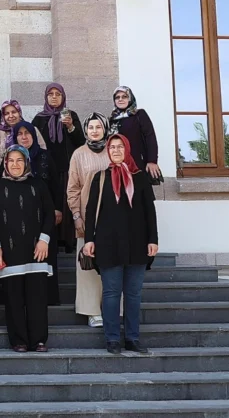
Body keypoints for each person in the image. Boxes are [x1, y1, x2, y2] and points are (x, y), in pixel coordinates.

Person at [84, 134, 160, 355]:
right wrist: (89, 239)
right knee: (111, 292)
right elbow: (90, 212)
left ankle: (133, 338)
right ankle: (112, 339)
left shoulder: (140, 178)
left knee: (134, 293)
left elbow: (150, 212)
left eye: (120, 147)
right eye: (112, 147)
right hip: (108, 243)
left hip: (137, 243)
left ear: (127, 149)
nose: (116, 150)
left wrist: (153, 239)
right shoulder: (100, 177)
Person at [0, 146, 55, 352]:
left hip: (36, 250)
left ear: (26, 163)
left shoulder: (38, 185)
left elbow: (50, 214)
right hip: (9, 251)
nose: (15, 165)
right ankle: (19, 340)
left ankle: (39, 340)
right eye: (11, 161)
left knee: (37, 299)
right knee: (14, 299)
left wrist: (44, 240)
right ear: (5, 163)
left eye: (19, 160)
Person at [32, 83, 84, 286]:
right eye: (50, 94)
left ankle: (68, 241)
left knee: (67, 203)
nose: (54, 97)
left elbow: (81, 141)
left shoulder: (71, 115)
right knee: (51, 204)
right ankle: (53, 239)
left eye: (58, 94)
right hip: (46, 170)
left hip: (67, 168)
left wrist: (70, 127)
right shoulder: (39, 118)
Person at [11, 119, 64, 306]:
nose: (24, 137)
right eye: (19, 134)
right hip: (19, 218)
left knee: (46, 254)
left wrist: (58, 208)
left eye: (27, 133)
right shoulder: (9, 158)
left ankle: (48, 298)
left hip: (45, 216)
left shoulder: (44, 156)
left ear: (33, 135)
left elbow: (56, 184)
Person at [67, 112, 112, 327]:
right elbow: (73, 189)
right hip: (87, 218)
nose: (95, 131)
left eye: (99, 127)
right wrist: (76, 216)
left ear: (105, 129)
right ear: (85, 130)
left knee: (112, 263)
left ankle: (112, 309)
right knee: (88, 265)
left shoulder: (113, 151)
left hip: (112, 218)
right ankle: (93, 311)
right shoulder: (78, 154)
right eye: (91, 127)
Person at [109, 86, 161, 180]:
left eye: (124, 96)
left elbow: (150, 137)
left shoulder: (139, 115)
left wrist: (152, 161)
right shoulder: (112, 120)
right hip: (118, 165)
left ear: (130, 98)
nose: (120, 99)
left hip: (137, 163)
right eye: (117, 97)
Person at [0, 99, 47, 165]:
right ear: (3, 116)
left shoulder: (31, 129)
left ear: (19, 113)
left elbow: (43, 151)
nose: (11, 116)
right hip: (3, 173)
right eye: (7, 113)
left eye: (14, 112)